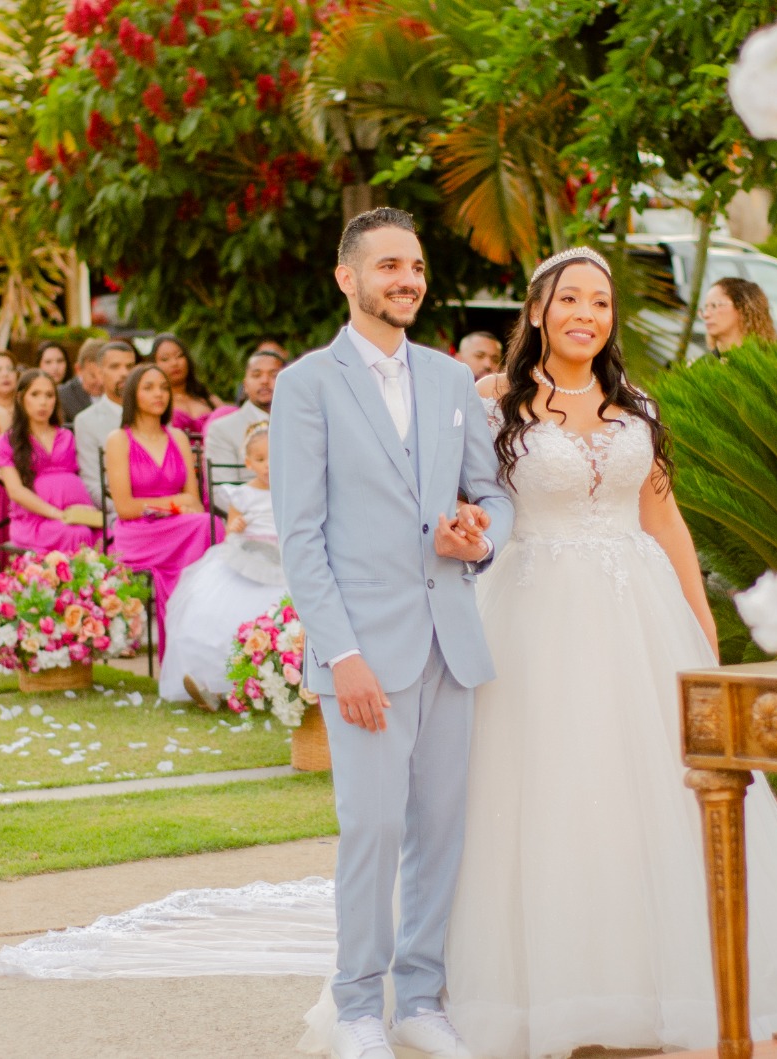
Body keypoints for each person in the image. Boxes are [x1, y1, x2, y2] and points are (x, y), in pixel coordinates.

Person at [435, 248, 777, 1057]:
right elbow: (467, 501)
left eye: (600, 302)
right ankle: (545, 990)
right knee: (546, 790)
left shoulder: (635, 402)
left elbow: (664, 520)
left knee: (657, 787)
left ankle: (665, 980)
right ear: (537, 312)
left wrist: (701, 621)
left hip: (641, 613)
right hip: (535, 612)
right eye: (570, 299)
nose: (587, 315)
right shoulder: (496, 404)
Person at [273, 207, 513, 1059]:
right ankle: (358, 1009)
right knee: (371, 827)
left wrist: (478, 536)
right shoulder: (306, 384)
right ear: (348, 277)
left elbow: (493, 495)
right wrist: (342, 656)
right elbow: (300, 535)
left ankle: (420, 998)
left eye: (414, 266)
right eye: (388, 267)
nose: (406, 279)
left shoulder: (452, 381)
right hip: (364, 650)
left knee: (441, 828)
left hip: (451, 639)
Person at [160, 422, 284, 706]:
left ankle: (271, 682)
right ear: (249, 462)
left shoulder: (290, 491)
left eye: (274, 458)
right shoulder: (240, 494)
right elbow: (230, 529)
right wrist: (237, 524)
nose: (268, 466)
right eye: (261, 460)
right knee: (214, 615)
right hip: (246, 557)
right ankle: (214, 684)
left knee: (277, 612)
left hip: (280, 560)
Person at [105, 363, 222, 655]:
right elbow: (125, 508)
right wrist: (174, 504)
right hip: (139, 533)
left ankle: (203, 635)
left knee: (211, 525)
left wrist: (180, 505)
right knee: (206, 526)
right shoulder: (119, 440)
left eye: (163, 387)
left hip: (180, 529)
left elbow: (194, 500)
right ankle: (187, 643)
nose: (159, 394)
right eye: (149, 387)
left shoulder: (178, 438)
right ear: (133, 394)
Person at [0, 369, 99, 555]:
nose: (43, 402)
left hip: (78, 515)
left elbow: (85, 476)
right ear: (20, 398)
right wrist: (57, 514)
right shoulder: (8, 441)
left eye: (49, 395)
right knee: (75, 534)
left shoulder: (67, 436)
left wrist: (84, 510)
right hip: (35, 521)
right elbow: (16, 491)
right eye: (35, 394)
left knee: (109, 536)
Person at [203, 348, 282, 490]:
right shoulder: (222, 429)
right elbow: (222, 490)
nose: (264, 381)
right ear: (245, 385)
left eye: (274, 375)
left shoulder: (305, 424)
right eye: (256, 375)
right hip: (247, 510)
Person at [74, 340, 137, 509]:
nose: (124, 373)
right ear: (100, 374)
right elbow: (93, 485)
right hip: (116, 514)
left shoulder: (155, 412)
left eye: (130, 366)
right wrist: (131, 509)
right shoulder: (86, 421)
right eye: (115, 367)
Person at [153, 332, 232, 441]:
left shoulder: (208, 399)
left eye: (179, 356)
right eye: (165, 359)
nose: (174, 363)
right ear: (154, 365)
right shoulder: (154, 401)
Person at [701, 276, 777, 354]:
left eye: (714, 306)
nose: (706, 315)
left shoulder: (768, 362)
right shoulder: (703, 364)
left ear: (743, 308)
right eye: (706, 308)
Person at [56, 338, 105, 423]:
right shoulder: (62, 396)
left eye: (103, 375)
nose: (100, 382)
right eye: (93, 376)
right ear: (78, 370)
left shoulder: (119, 394)